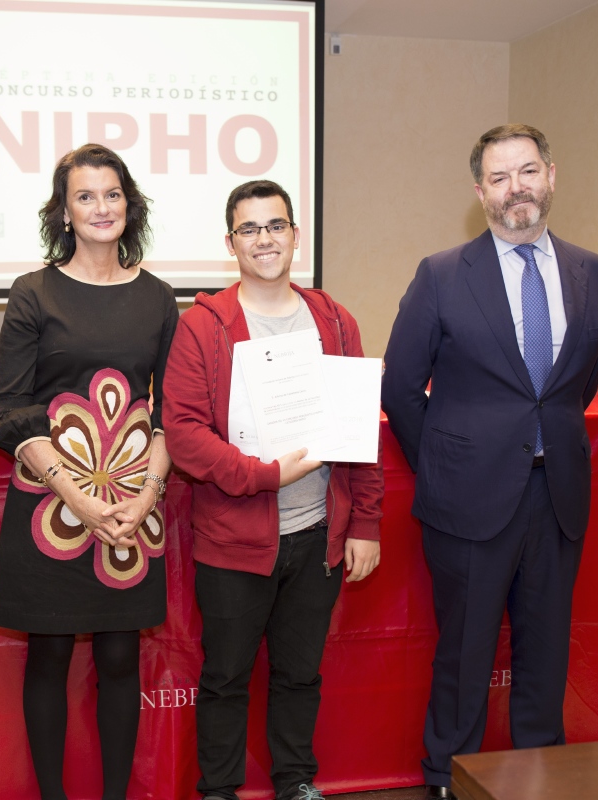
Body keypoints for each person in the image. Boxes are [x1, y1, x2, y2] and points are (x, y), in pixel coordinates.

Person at [380, 124, 598, 799]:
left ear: (551, 175)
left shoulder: (592, 271)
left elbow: (578, 382)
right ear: (481, 191)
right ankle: (448, 779)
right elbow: (400, 387)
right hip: (467, 500)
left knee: (546, 652)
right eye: (502, 177)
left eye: (528, 171)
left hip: (557, 494)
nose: (518, 188)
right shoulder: (443, 274)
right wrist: (447, 467)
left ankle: (542, 776)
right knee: (466, 653)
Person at [163, 180, 383, 800]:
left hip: (317, 535)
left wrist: (365, 522)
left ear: (294, 234)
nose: (265, 239)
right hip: (234, 538)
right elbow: (182, 433)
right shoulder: (204, 326)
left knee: (299, 674)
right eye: (250, 229)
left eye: (276, 226)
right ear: (230, 242)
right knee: (226, 676)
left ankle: (295, 781)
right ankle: (219, 789)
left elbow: (360, 430)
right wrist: (262, 476)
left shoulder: (335, 321)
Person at [0, 143, 178, 800]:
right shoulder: (32, 293)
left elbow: (172, 414)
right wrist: (78, 497)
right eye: (86, 196)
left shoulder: (156, 297)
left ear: (131, 204)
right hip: (52, 506)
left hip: (131, 503)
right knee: (50, 654)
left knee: (122, 657)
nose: (103, 207)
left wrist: (145, 496)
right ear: (64, 213)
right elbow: (10, 413)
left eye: (113, 194)